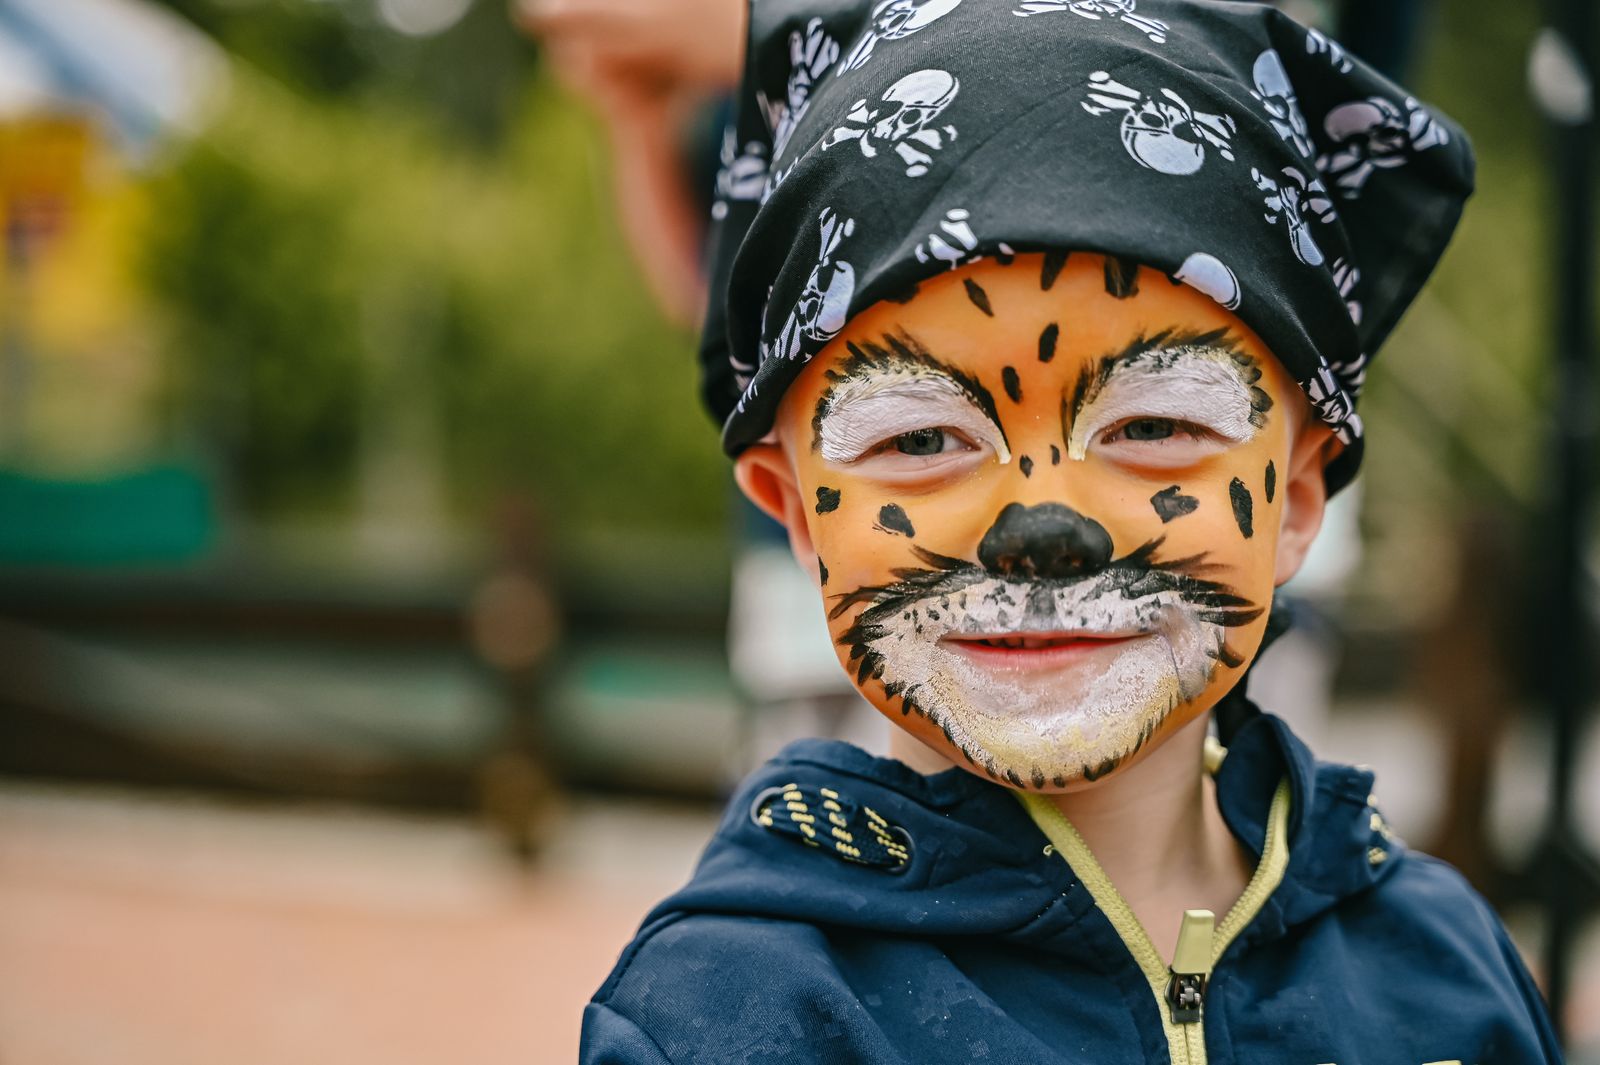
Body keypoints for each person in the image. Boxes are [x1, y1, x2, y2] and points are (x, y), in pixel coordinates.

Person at [580, 1, 1562, 1061]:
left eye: (1153, 424)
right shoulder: (731, 1017)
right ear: (797, 517)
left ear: (1298, 496)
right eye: (918, 438)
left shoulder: (1442, 978)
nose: (1039, 528)